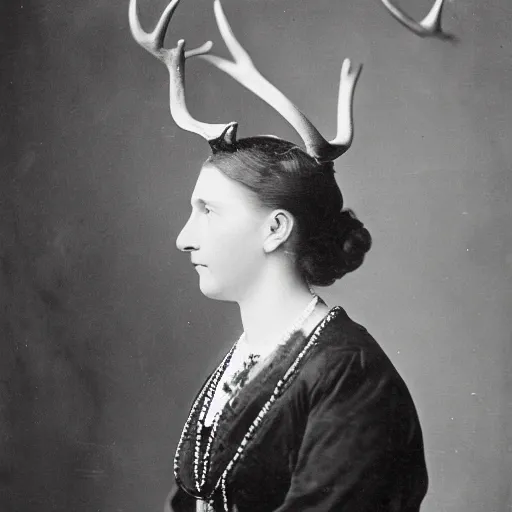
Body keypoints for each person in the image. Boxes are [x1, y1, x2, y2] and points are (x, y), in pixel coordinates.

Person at [128, 1, 429, 511]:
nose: (183, 238)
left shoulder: (348, 373)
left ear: (275, 229)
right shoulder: (249, 357)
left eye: (208, 212)